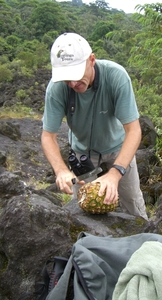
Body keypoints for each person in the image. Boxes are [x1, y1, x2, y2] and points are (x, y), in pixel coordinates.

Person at [41, 32, 148, 220]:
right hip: (83, 154)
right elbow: (48, 136)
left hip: (118, 149)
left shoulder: (116, 77)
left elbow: (134, 130)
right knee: (83, 206)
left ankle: (145, 240)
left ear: (91, 60)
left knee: (132, 201)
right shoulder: (57, 88)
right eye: (67, 78)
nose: (72, 83)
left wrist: (116, 173)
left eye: (75, 75)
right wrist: (61, 170)